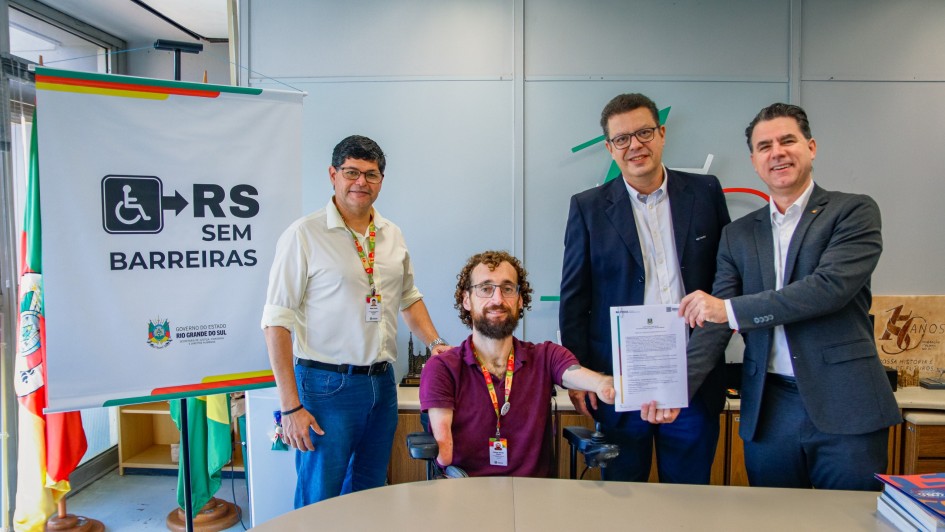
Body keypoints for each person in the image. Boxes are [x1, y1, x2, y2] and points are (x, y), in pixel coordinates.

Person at [679, 103, 901, 490]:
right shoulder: (739, 234)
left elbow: (827, 290)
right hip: (769, 407)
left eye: (787, 141)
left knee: (850, 521)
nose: (776, 152)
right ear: (754, 161)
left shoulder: (853, 212)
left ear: (811, 147)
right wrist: (674, 388)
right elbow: (716, 324)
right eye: (764, 146)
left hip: (845, 403)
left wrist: (729, 309)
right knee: (772, 520)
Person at [261, 135, 451, 506]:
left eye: (371, 174)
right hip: (324, 386)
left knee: (369, 490)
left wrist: (435, 343)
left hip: (382, 384)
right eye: (351, 172)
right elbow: (276, 323)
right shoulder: (303, 235)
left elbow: (409, 298)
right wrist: (290, 406)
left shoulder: (392, 234)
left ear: (381, 180)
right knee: (320, 496)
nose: (361, 182)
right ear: (333, 175)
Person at [559, 93, 731, 484]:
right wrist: (580, 371)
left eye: (644, 132)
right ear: (609, 148)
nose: (635, 145)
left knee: (690, 497)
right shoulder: (587, 207)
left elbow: (726, 280)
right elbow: (575, 298)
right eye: (622, 139)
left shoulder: (704, 192)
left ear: (662, 134)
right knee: (622, 496)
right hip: (618, 379)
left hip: (693, 373)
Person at [420, 250, 615, 477]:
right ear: (466, 300)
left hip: (533, 497)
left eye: (508, 289)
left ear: (520, 300)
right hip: (469, 493)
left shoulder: (545, 356)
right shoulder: (443, 368)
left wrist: (602, 384)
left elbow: (576, 373)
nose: (498, 299)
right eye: (485, 288)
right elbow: (443, 449)